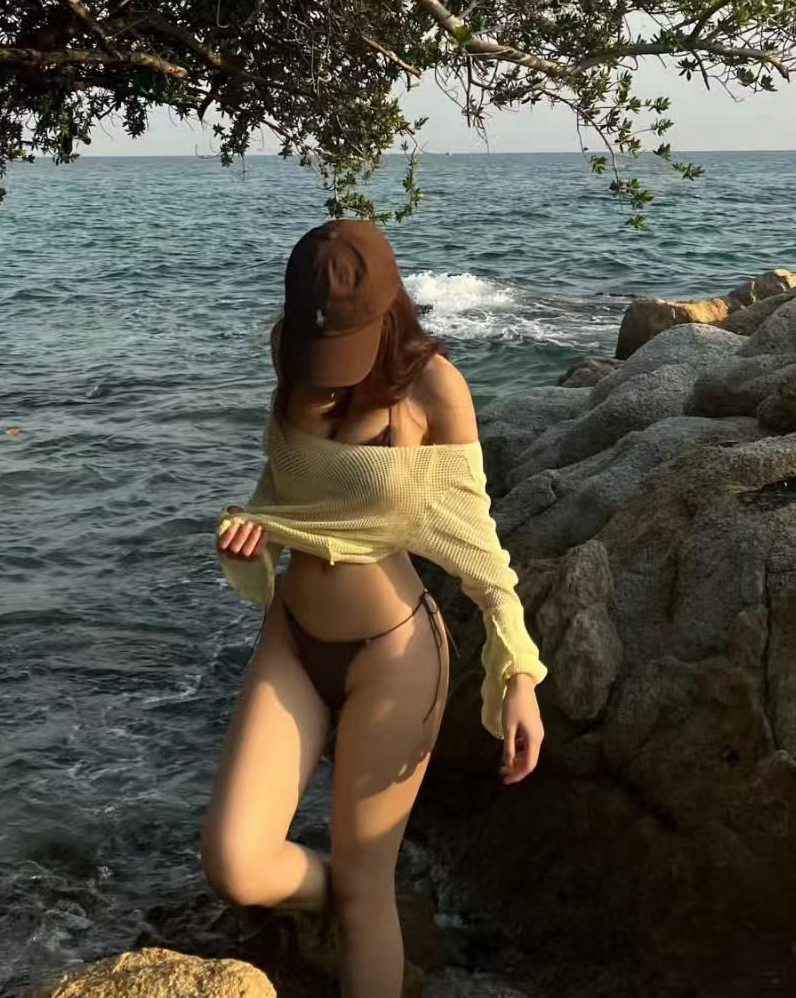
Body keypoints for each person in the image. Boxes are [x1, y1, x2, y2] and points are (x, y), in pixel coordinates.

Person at [201, 219, 547, 998]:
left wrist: (518, 672)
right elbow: (287, 490)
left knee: (366, 893)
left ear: (389, 308)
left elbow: (476, 540)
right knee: (234, 862)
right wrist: (252, 532)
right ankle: (353, 895)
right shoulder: (291, 354)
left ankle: (365, 902)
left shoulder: (432, 388)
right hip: (292, 639)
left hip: (393, 653)